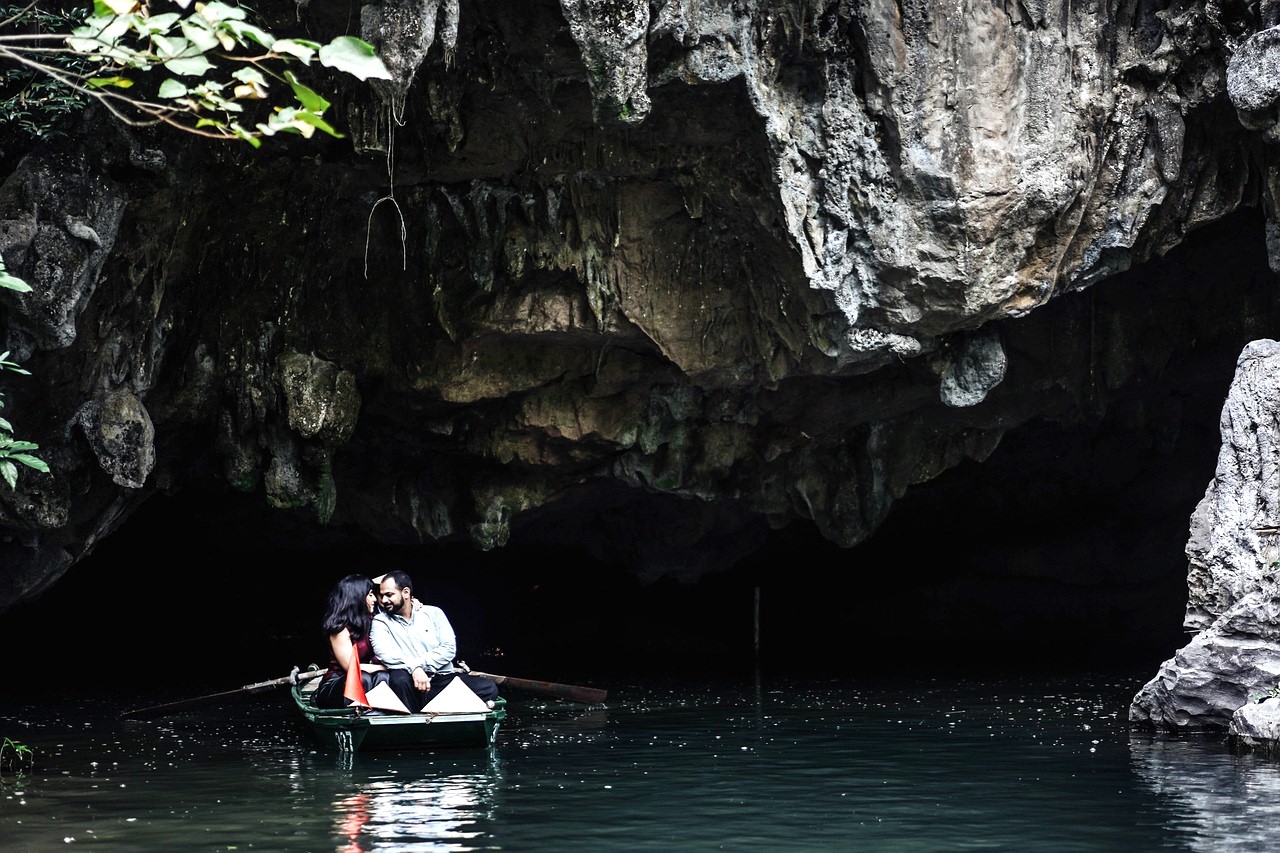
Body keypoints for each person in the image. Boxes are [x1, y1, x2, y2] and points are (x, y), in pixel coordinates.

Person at [369, 569, 500, 708]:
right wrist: (414, 669)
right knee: (398, 679)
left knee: (488, 688)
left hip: (441, 679)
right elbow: (384, 653)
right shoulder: (380, 621)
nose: (383, 600)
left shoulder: (434, 613)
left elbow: (449, 649)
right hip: (409, 682)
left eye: (389, 595)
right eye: (382, 596)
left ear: (406, 593)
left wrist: (419, 666)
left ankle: (430, 707)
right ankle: (421, 716)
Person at [313, 574, 391, 709]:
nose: (375, 599)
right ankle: (357, 718)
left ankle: (380, 715)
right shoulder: (340, 628)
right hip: (338, 684)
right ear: (358, 598)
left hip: (367, 677)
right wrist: (387, 667)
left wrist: (413, 604)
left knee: (383, 677)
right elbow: (351, 668)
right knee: (363, 678)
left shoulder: (374, 620)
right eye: (370, 594)